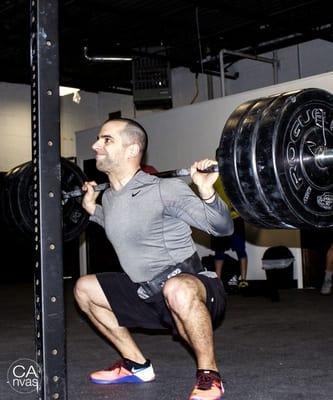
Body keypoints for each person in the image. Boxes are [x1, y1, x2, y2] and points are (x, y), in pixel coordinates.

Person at [74, 117, 234, 400]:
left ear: (132, 149)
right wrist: (91, 210)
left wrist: (207, 191)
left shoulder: (165, 189)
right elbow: (122, 225)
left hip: (192, 288)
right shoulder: (109, 198)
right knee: (83, 288)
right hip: (147, 292)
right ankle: (136, 364)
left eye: (106, 140)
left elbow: (222, 228)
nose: (96, 144)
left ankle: (209, 375)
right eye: (99, 138)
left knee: (177, 289)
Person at [211, 176, 248, 289]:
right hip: (220, 218)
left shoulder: (234, 175)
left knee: (240, 249)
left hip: (236, 218)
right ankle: (218, 282)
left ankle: (243, 281)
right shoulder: (213, 178)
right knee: (219, 251)